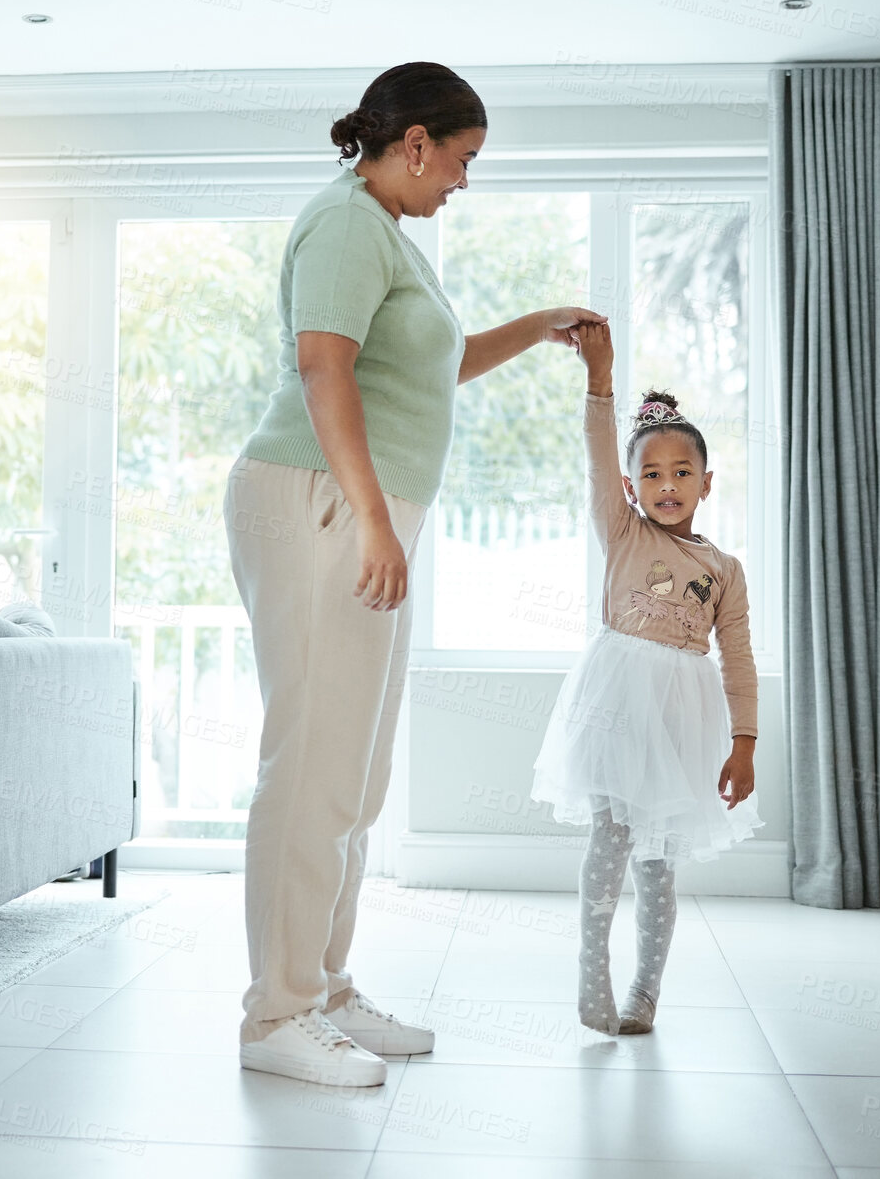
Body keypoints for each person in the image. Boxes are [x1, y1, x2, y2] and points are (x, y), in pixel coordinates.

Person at [225, 60, 604, 1087]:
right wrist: (372, 519)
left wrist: (536, 326)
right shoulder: (344, 222)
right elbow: (321, 365)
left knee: (355, 770)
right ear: (416, 142)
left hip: (354, 504)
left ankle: (325, 986)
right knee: (310, 765)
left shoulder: (386, 236)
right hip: (315, 497)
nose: (462, 185)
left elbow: (431, 365)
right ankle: (278, 1013)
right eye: (462, 161)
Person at [531, 320, 761, 1035]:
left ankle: (645, 994)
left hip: (683, 721)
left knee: (659, 862)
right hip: (617, 705)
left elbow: (740, 658)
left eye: (681, 472)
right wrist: (599, 382)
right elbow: (599, 453)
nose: (667, 485)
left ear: (707, 482)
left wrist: (745, 741)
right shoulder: (623, 530)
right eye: (652, 474)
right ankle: (590, 966)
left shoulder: (724, 569)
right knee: (611, 838)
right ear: (632, 486)